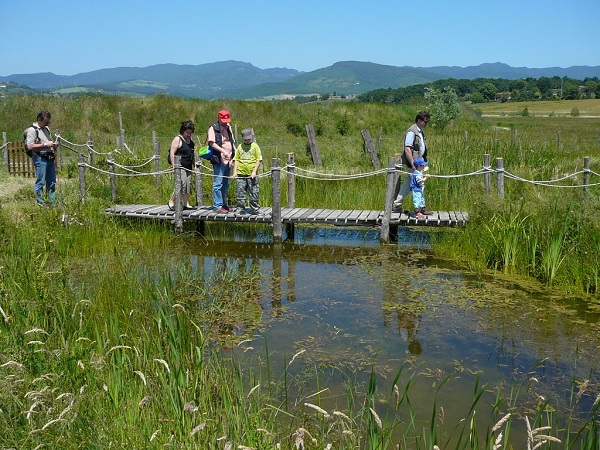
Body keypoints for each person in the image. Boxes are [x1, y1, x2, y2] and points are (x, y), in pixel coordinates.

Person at [392, 111, 433, 215]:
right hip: (414, 164)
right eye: (425, 121)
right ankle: (420, 208)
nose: (426, 124)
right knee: (419, 184)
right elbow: (407, 148)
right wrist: (413, 164)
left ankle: (397, 205)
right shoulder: (412, 131)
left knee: (409, 183)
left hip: (418, 164)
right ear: (419, 120)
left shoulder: (419, 131)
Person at [25, 111, 59, 206]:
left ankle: (51, 203)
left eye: (48, 122)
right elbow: (30, 146)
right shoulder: (32, 130)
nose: (47, 124)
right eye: (46, 122)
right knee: (40, 182)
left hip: (49, 157)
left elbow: (48, 141)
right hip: (40, 158)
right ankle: (41, 203)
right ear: (39, 120)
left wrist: (53, 144)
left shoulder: (46, 128)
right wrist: (45, 144)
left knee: (52, 181)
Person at [207, 110, 235, 213]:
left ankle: (223, 204)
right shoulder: (213, 128)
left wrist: (232, 156)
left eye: (227, 120)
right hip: (219, 159)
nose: (225, 122)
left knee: (225, 183)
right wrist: (223, 151)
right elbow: (211, 143)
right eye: (223, 120)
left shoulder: (229, 127)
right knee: (218, 183)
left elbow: (232, 142)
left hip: (229, 159)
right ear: (219, 118)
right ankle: (217, 206)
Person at [232, 128, 263, 215]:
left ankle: (255, 209)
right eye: (245, 139)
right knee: (240, 192)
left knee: (254, 192)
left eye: (249, 139)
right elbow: (236, 160)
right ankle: (240, 209)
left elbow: (259, 160)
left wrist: (254, 171)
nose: (247, 141)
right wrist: (235, 172)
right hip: (241, 173)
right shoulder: (240, 147)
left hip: (251, 174)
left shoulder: (255, 146)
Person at [167, 121, 196, 211]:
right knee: (181, 184)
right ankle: (171, 201)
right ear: (183, 131)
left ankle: (186, 203)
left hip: (188, 166)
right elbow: (172, 153)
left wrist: (195, 166)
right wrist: (174, 166)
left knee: (187, 185)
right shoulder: (177, 139)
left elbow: (193, 154)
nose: (189, 135)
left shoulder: (191, 141)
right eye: (187, 132)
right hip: (179, 166)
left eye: (190, 133)